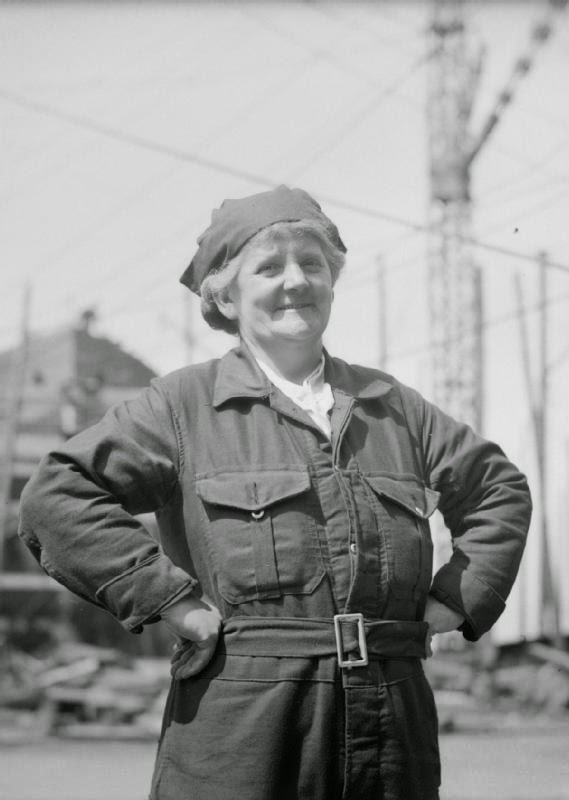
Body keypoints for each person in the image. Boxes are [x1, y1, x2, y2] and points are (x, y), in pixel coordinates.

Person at [18, 185, 532, 800]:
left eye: (312, 263)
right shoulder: (182, 406)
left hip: (392, 721)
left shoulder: (395, 408)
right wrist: (168, 601)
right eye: (269, 267)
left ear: (332, 282)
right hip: (244, 723)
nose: (296, 281)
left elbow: (498, 489)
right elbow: (58, 495)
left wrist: (456, 600)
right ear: (225, 296)